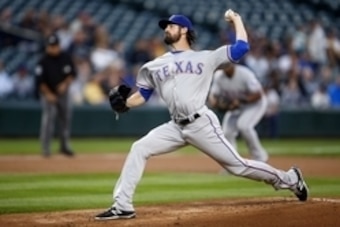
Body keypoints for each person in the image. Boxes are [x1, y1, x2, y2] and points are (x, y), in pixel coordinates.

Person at [95, 11, 309, 221]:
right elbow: (142, 95)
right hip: (176, 127)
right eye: (166, 26)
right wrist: (125, 104)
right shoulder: (154, 65)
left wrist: (237, 20)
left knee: (238, 166)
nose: (166, 29)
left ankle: (290, 179)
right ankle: (122, 206)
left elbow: (242, 47)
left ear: (184, 30)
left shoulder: (206, 57)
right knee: (139, 148)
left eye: (170, 25)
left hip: (201, 124)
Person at [208, 63, 269, 162]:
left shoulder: (245, 74)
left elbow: (258, 94)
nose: (225, 67)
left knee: (244, 126)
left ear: (233, 64)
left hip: (254, 105)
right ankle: (232, 161)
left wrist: (241, 100)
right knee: (227, 132)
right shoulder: (218, 76)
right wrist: (217, 104)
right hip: (236, 107)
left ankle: (260, 157)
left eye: (227, 64)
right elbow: (213, 96)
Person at [35, 34, 76, 157]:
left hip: (63, 94)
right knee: (48, 119)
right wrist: (48, 94)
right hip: (48, 93)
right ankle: (46, 148)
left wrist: (64, 84)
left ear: (59, 45)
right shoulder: (42, 61)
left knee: (65, 119)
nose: (53, 48)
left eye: (55, 46)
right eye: (51, 46)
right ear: (47, 46)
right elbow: (39, 81)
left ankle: (64, 146)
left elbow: (72, 73)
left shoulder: (65, 57)